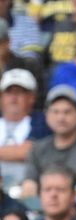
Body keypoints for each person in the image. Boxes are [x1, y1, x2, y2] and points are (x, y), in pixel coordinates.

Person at [0, 68, 48, 197]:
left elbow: (29, 151)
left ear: (31, 97)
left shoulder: (41, 121)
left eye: (20, 92)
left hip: (26, 190)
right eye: (9, 92)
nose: (14, 98)